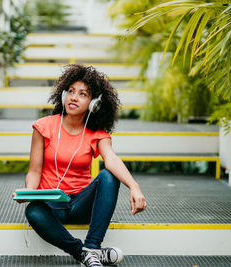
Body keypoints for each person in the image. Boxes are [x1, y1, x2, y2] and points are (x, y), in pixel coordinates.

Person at [13, 64, 147, 267]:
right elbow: (34, 171)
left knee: (108, 176)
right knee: (33, 211)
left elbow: (111, 159)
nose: (74, 98)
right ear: (63, 95)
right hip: (51, 206)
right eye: (71, 92)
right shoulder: (43, 127)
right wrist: (30, 193)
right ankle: (83, 253)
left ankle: (93, 246)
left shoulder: (97, 133)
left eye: (82, 94)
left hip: (81, 204)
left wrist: (134, 186)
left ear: (94, 104)